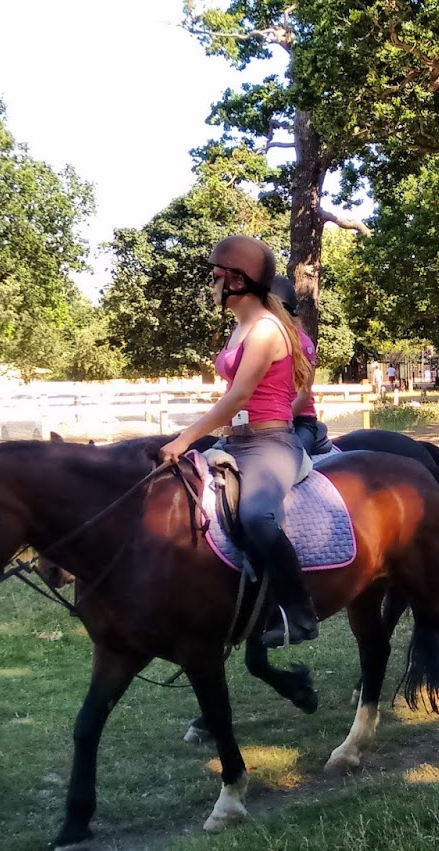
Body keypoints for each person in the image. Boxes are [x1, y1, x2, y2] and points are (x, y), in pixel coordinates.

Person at [158, 235, 319, 648]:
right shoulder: (242, 325)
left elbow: (239, 396)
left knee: (256, 517)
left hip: (271, 442)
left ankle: (300, 615)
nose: (212, 285)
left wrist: (186, 437)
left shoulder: (265, 329)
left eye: (217, 277)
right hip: (237, 441)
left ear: (238, 280)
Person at [270, 275, 336, 456]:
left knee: (287, 460)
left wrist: (276, 422)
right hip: (265, 422)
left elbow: (303, 395)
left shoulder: (302, 343)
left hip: (298, 420)